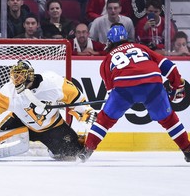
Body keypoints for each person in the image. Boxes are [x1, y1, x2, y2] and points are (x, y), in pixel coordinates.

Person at [79, 23, 190, 163]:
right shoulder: (141, 47)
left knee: (104, 120)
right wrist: (176, 85)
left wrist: (120, 99)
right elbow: (168, 66)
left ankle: (87, 150)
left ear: (109, 42)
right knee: (169, 120)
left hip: (124, 87)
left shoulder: (106, 61)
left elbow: (111, 92)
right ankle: (187, 149)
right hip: (153, 83)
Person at [0, 60, 96, 161]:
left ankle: (53, 148)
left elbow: (75, 98)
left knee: (72, 154)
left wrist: (85, 113)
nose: (17, 81)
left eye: (20, 77)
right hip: (20, 122)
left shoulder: (53, 83)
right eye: (15, 76)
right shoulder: (10, 90)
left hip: (53, 128)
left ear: (30, 75)